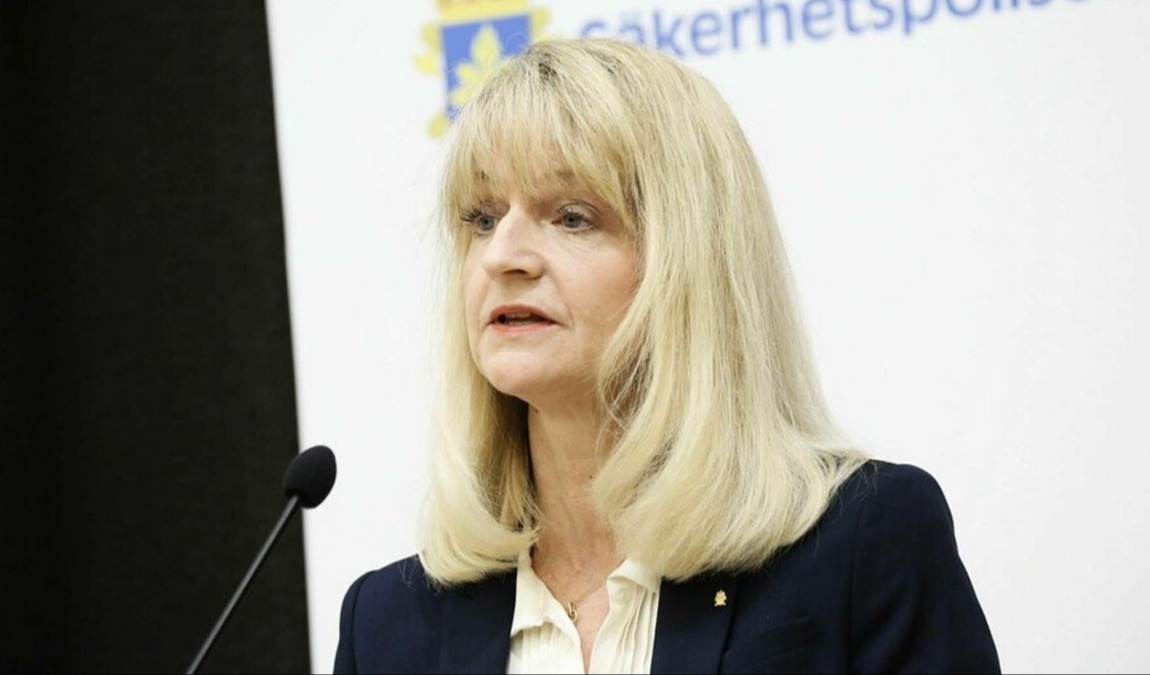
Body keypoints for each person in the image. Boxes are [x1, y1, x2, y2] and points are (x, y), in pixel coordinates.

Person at [334, 37, 999, 674]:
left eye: (571, 216)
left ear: (692, 259)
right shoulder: (386, 625)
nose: (502, 256)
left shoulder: (860, 546)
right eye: (483, 217)